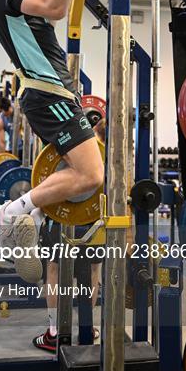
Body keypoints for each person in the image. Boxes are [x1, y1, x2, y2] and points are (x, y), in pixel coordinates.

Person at [0, 0, 104, 283]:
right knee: (91, 175)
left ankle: (31, 216)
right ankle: (11, 212)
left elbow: (47, 11)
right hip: (49, 93)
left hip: (50, 94)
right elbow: (55, 7)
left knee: (81, 175)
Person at [33, 119, 106, 352]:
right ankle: (87, 329)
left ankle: (54, 332)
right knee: (93, 270)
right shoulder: (113, 157)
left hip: (61, 215)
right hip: (95, 218)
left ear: (93, 129)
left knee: (53, 268)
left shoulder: (73, 145)